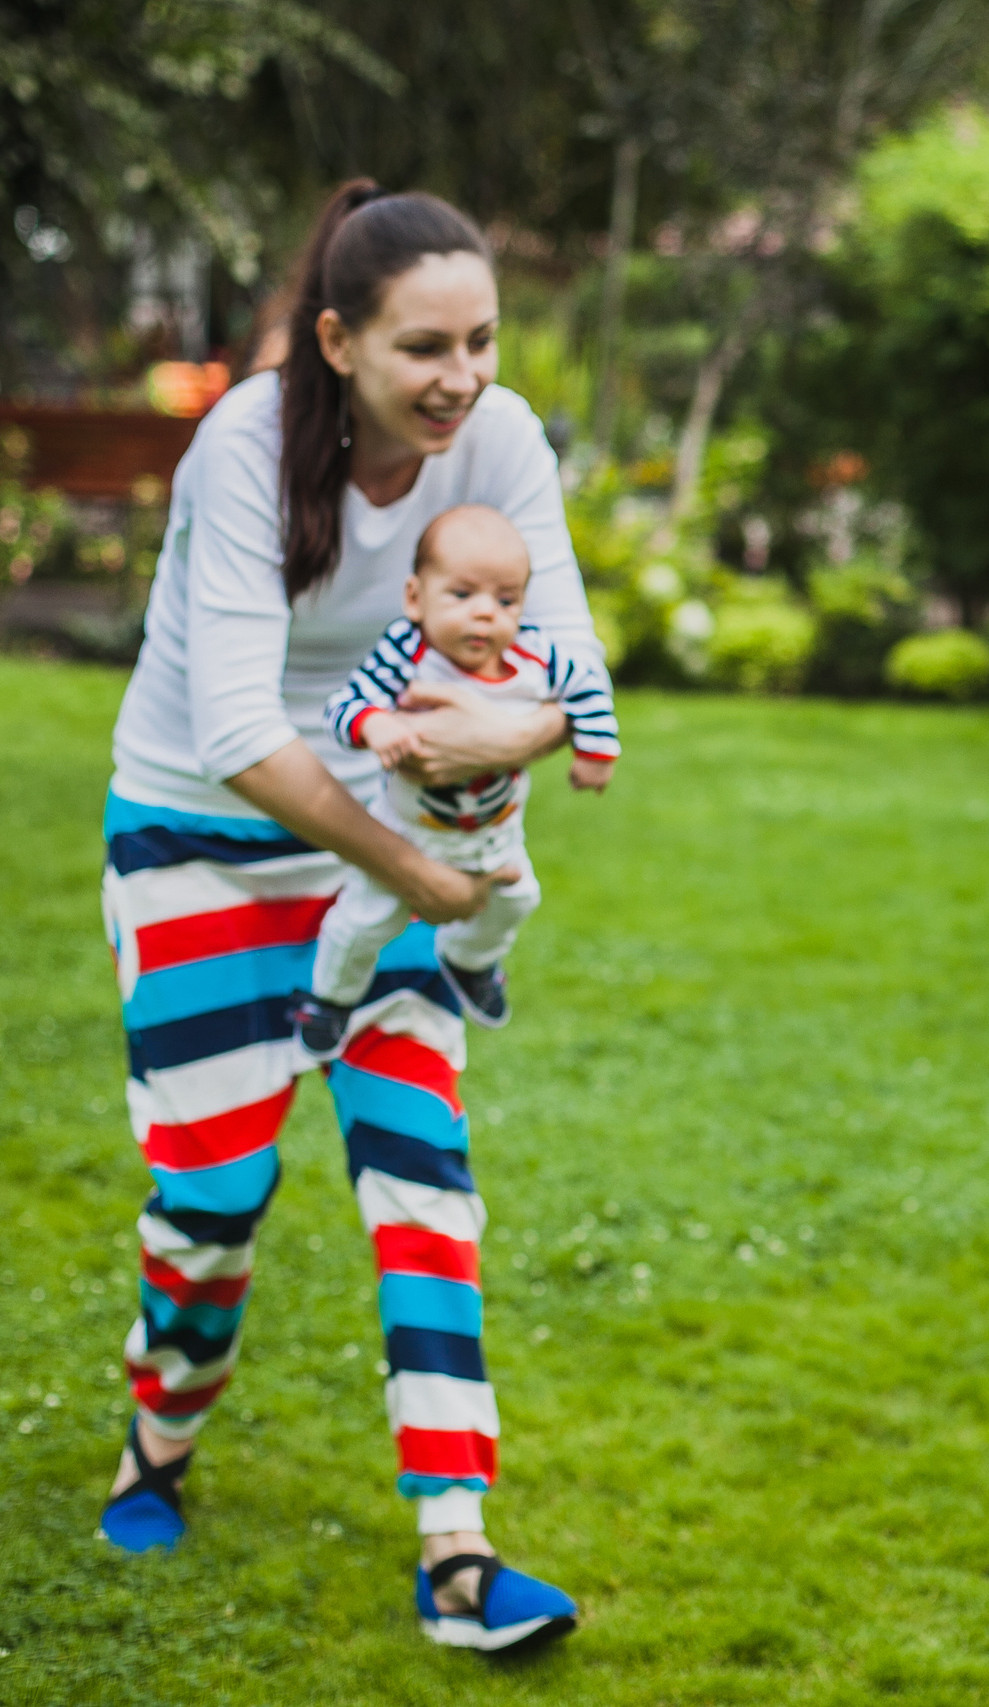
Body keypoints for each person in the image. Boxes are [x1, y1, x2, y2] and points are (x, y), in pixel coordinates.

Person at [95, 179, 592, 1653]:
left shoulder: (499, 442)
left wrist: (509, 745)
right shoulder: (243, 447)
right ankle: (157, 1439)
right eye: (423, 348)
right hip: (197, 826)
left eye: (482, 341)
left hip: (381, 850)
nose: (461, 380)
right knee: (212, 1191)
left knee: (422, 1181)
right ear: (336, 340)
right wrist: (431, 868)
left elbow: (563, 658)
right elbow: (244, 731)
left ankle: (459, 1552)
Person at [290, 504, 620, 1056]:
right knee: (363, 923)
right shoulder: (407, 653)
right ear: (415, 598)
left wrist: (596, 749)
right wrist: (376, 724)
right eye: (463, 595)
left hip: (496, 834)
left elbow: (588, 687)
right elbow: (344, 707)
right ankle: (330, 997)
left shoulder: (535, 653)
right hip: (405, 832)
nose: (486, 615)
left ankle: (467, 960)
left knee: (518, 900)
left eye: (506, 599)